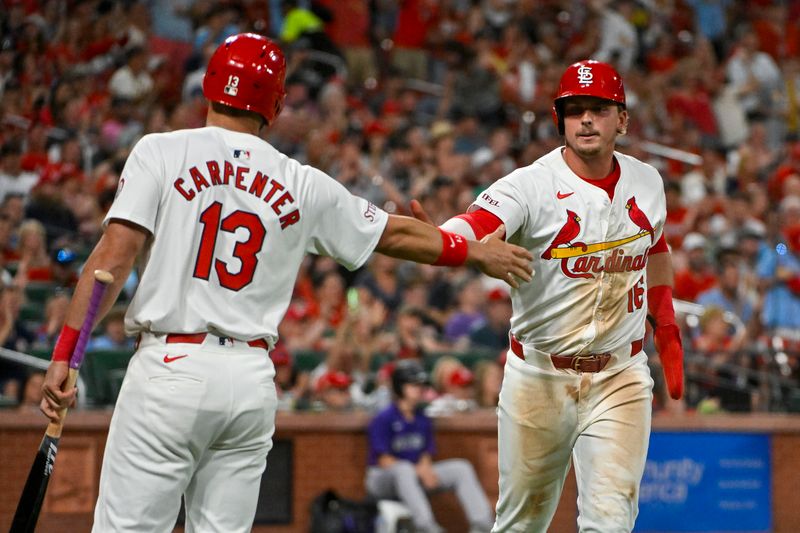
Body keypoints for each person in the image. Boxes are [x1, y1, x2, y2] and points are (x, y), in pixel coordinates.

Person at [37, 33, 532, 533]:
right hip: (250, 378)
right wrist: (471, 250)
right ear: (274, 105)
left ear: (208, 87)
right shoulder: (301, 182)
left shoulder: (160, 151)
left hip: (170, 366)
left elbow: (111, 260)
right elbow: (394, 232)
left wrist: (66, 351)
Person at [410, 60, 684, 532]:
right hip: (540, 373)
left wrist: (667, 323)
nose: (585, 120)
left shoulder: (647, 180)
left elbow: (655, 246)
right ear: (560, 119)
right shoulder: (530, 184)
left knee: (612, 519)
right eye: (573, 109)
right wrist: (444, 240)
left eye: (598, 108)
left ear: (623, 118)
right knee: (522, 523)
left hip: (620, 372)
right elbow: (474, 227)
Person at [366, 359, 494, 533]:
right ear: (399, 386)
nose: (419, 388)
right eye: (413, 384)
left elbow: (426, 452)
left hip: (412, 477)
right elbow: (383, 460)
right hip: (382, 479)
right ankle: (426, 527)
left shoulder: (422, 417)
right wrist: (418, 470)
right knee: (404, 469)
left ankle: (482, 525)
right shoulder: (384, 417)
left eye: (420, 384)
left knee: (460, 468)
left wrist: (425, 468)